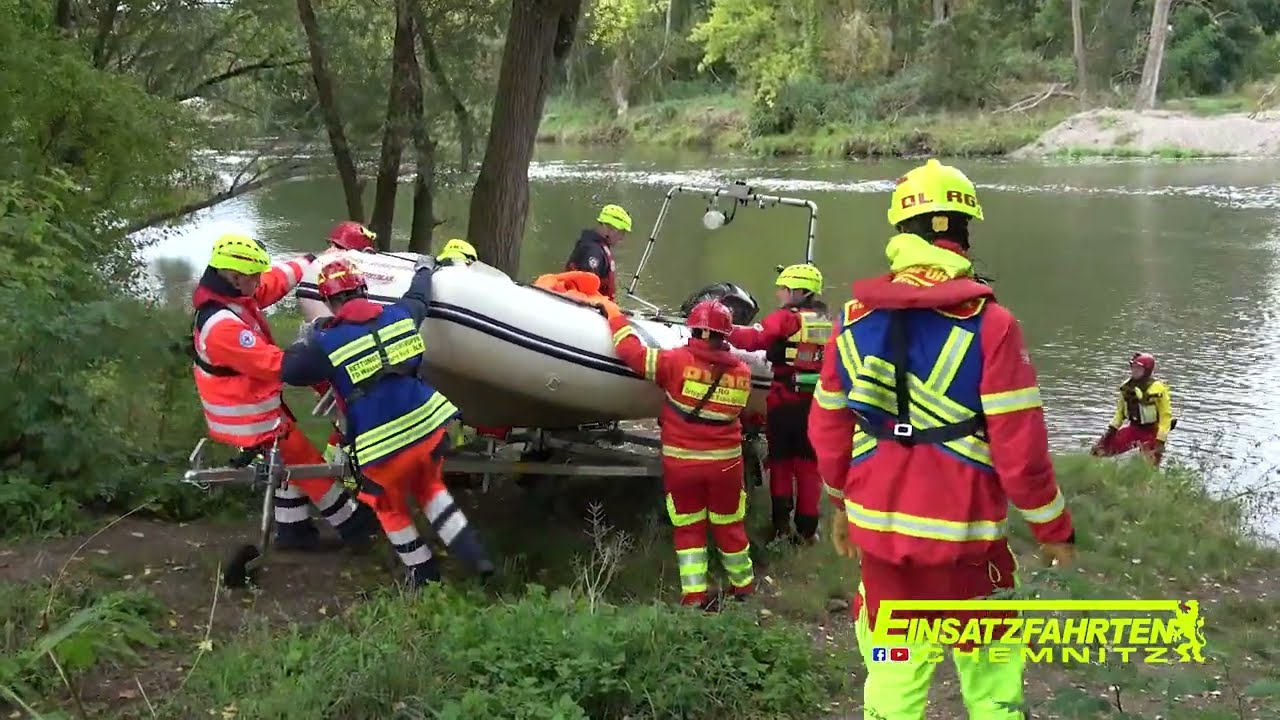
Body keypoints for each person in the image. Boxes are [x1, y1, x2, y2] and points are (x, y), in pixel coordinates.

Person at [807, 159, 1076, 720]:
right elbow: (1019, 452)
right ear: (962, 233)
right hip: (968, 547)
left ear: (899, 233)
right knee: (993, 682)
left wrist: (840, 506)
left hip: (880, 544)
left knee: (894, 677)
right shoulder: (991, 323)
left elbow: (828, 430)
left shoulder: (852, 320)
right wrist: (1054, 530)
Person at [280, 257, 496, 586]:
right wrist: (425, 269)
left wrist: (309, 336)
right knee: (431, 489)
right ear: (365, 290)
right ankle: (475, 556)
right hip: (429, 428)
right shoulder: (400, 315)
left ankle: (425, 577)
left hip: (383, 446)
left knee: (389, 506)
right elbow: (419, 296)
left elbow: (289, 370)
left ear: (328, 301)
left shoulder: (326, 344)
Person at [190, 234, 377, 550]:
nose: (259, 282)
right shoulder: (221, 326)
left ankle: (293, 533)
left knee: (284, 465)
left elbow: (274, 282)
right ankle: (354, 526)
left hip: (253, 402)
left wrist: (313, 258)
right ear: (234, 277)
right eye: (254, 277)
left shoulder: (233, 294)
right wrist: (325, 355)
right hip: (246, 415)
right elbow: (276, 365)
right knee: (306, 463)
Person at [600, 297, 755, 609]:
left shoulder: (675, 362)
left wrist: (615, 317)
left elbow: (633, 354)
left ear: (694, 331)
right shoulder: (743, 374)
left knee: (689, 528)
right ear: (725, 335)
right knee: (730, 525)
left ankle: (694, 594)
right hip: (725, 465)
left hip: (683, 464)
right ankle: (743, 587)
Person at [726, 263, 832, 545]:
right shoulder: (826, 319)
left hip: (785, 402)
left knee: (782, 463)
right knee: (809, 467)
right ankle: (808, 531)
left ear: (799, 291)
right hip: (815, 405)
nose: (779, 294)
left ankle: (781, 527)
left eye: (783, 289)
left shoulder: (787, 319)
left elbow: (756, 339)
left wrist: (724, 329)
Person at [1091, 352, 1174, 466]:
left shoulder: (1158, 389)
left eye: (1138, 368)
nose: (1134, 371)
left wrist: (1160, 440)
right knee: (1098, 450)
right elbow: (1120, 412)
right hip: (1133, 429)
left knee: (1148, 464)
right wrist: (1111, 431)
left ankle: (1149, 481)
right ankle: (1093, 477)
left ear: (1147, 371)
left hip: (1152, 432)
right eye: (1133, 367)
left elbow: (1165, 417)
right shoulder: (1126, 387)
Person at [565, 204, 631, 301]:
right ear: (609, 228)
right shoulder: (592, 251)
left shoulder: (599, 247)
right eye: (621, 233)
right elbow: (585, 290)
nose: (621, 238)